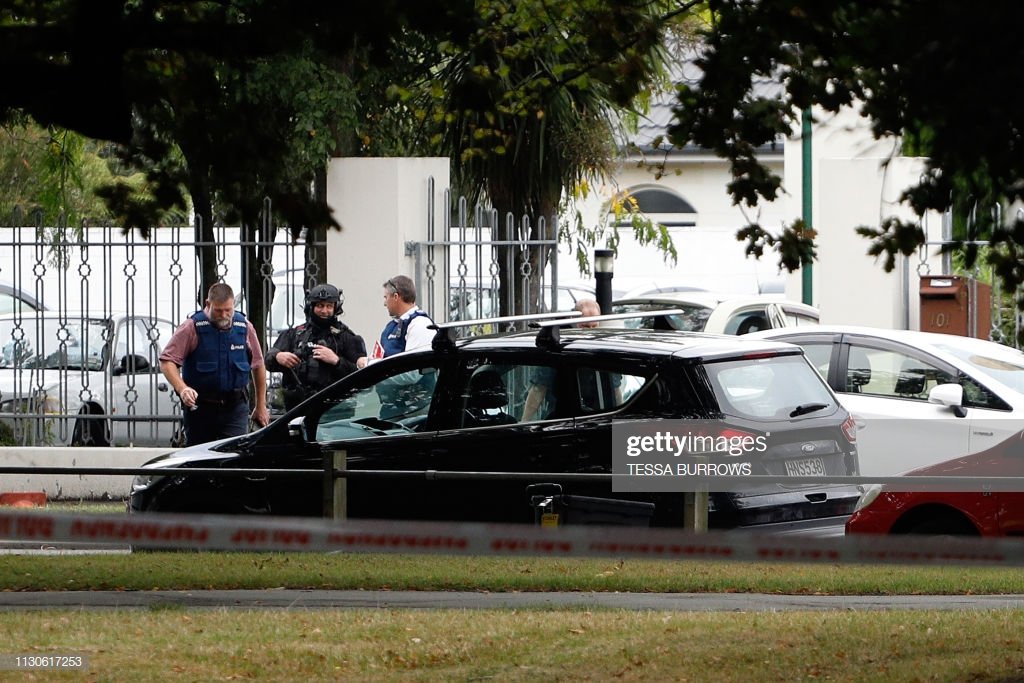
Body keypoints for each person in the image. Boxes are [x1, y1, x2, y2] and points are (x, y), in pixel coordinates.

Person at [159, 282, 271, 446]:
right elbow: (167, 361)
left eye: (228, 310)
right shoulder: (192, 327)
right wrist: (182, 388)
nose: (224, 315)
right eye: (218, 310)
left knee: (233, 457)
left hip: (235, 407)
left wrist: (261, 405)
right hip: (201, 409)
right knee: (199, 461)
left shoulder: (244, 327)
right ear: (208, 304)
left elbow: (258, 365)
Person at [264, 283, 366, 411]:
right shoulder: (295, 334)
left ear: (336, 308)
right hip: (298, 408)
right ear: (311, 306)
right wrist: (278, 356)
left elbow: (362, 376)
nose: (324, 311)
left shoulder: (347, 337)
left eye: (329, 306)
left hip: (335, 411)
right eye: (320, 306)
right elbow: (268, 361)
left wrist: (336, 361)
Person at [520, 298, 602, 422]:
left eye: (594, 326)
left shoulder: (603, 350)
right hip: (561, 419)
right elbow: (538, 390)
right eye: (585, 326)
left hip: (598, 418)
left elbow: (616, 390)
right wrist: (524, 422)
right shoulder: (559, 348)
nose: (589, 331)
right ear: (574, 322)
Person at [356, 275, 434, 367]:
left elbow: (413, 371)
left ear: (396, 297)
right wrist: (366, 361)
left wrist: (371, 366)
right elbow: (380, 358)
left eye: (386, 297)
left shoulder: (420, 324)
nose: (384, 303)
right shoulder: (391, 326)